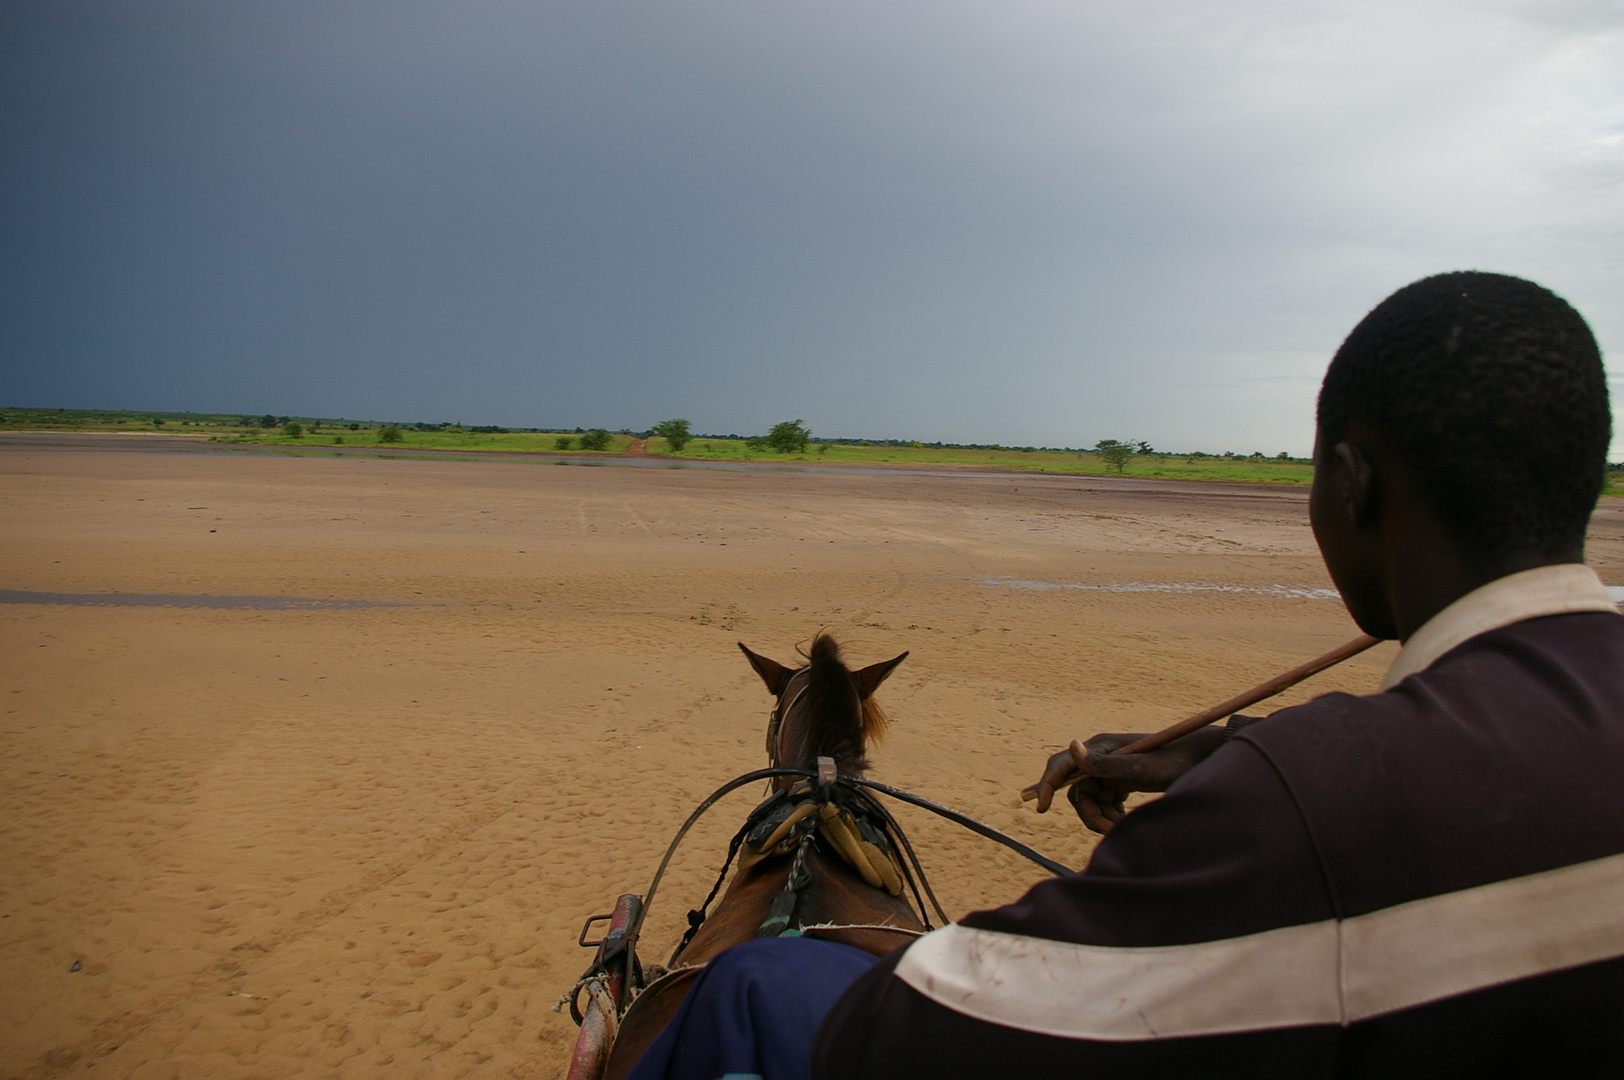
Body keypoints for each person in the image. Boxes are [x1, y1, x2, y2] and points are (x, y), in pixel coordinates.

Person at [628, 271, 1623, 1079]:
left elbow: (944, 1028)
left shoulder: (1307, 800)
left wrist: (1253, 780)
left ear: (1352, 488)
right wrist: (1224, 757)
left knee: (751, 989)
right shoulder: (1329, 767)